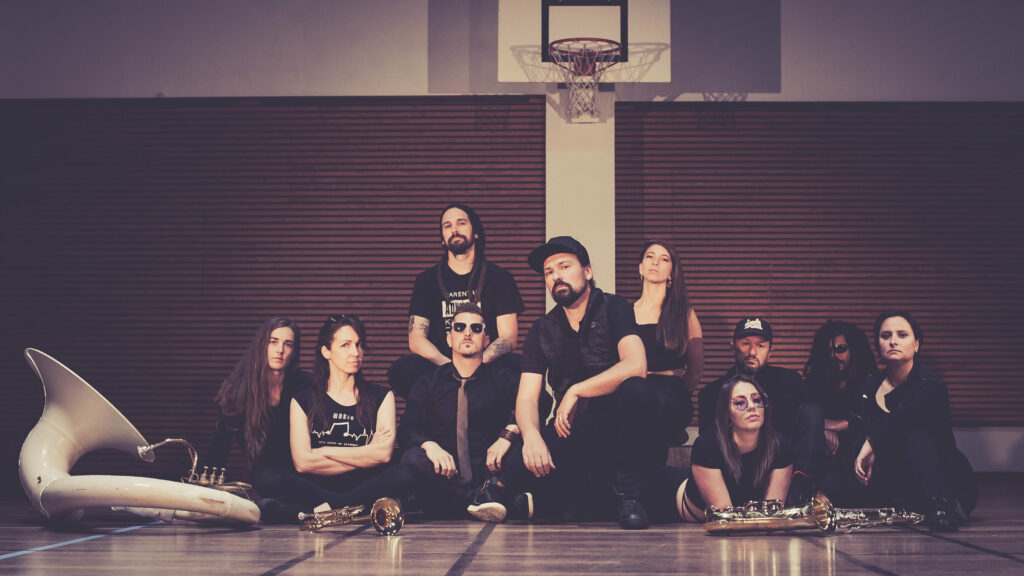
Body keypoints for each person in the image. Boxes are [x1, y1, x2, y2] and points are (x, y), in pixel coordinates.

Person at [482, 236, 657, 529]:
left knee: (637, 391)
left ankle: (629, 495)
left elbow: (636, 365)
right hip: (573, 431)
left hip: (618, 427)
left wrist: (577, 390)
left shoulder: (615, 307)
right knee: (515, 464)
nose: (556, 276)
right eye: (549, 272)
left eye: (564, 266)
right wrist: (532, 437)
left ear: (587, 271)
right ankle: (590, 499)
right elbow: (527, 397)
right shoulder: (541, 328)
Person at [250, 315, 396, 523]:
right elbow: (303, 463)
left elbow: (382, 455)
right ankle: (354, 509)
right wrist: (366, 454)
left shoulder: (382, 396)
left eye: (359, 345)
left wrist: (324, 451)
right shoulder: (302, 400)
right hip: (318, 485)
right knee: (267, 478)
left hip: (363, 482)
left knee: (405, 471)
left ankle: (313, 514)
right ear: (326, 351)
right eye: (345, 345)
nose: (355, 353)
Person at [853, 311, 977, 532]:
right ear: (878, 344)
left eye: (902, 335)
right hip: (897, 480)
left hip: (945, 482)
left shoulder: (930, 384)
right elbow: (862, 425)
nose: (893, 341)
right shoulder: (870, 385)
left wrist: (871, 443)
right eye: (885, 336)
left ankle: (940, 506)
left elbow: (904, 418)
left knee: (915, 435)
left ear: (916, 344)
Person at [389, 203, 525, 399]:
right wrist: (449, 366)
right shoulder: (426, 281)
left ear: (475, 232)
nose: (454, 230)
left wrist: (477, 364)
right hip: (441, 366)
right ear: (442, 238)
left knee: (519, 368)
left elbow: (508, 338)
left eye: (461, 223)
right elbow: (416, 338)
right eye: (447, 226)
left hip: (486, 365)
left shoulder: (500, 277)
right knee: (403, 369)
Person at [697, 317, 813, 503]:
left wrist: (829, 427)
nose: (752, 352)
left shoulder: (790, 382)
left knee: (811, 412)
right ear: (733, 347)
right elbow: (709, 446)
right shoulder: (712, 393)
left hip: (785, 471)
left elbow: (809, 422)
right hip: (735, 475)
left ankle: (801, 493)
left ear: (770, 351)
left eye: (760, 345)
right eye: (745, 344)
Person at [653, 374, 793, 522]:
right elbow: (727, 519)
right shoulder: (708, 445)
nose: (752, 407)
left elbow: (772, 516)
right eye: (740, 403)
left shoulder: (780, 446)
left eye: (757, 400)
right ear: (727, 413)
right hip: (669, 497)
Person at [206, 317, 312, 509]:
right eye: (273, 342)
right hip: (269, 477)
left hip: (305, 470)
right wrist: (205, 490)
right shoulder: (238, 389)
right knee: (271, 483)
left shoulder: (304, 384)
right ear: (262, 345)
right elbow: (220, 445)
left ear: (294, 351)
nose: (280, 350)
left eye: (288, 344)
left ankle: (283, 510)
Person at [633, 240, 704, 459]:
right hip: (634, 392)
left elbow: (695, 371)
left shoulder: (685, 314)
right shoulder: (625, 312)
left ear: (671, 273)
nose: (655, 262)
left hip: (669, 394)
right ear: (640, 268)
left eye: (664, 259)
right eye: (650, 257)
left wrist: (677, 395)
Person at [802, 320, 875, 504]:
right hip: (826, 464)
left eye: (841, 349)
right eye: (828, 351)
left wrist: (823, 425)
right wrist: (820, 428)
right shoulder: (814, 383)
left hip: (858, 461)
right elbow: (806, 418)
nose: (834, 355)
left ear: (854, 350)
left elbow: (863, 420)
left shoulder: (870, 382)